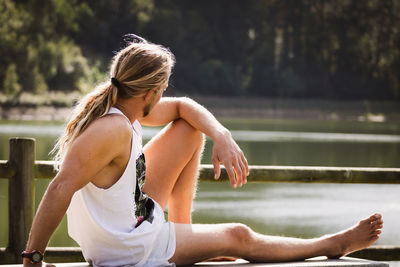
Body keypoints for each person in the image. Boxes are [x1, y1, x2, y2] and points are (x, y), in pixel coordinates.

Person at [23, 36, 383, 267]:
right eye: (162, 89)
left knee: (190, 130)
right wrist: (33, 258)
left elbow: (184, 108)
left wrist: (221, 135)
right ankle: (331, 244)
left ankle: (186, 236)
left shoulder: (123, 109)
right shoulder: (111, 129)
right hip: (128, 250)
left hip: (133, 220)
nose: (163, 95)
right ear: (150, 92)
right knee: (240, 235)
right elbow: (59, 188)